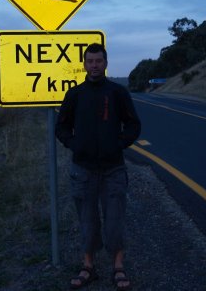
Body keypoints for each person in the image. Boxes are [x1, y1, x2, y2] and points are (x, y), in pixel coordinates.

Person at [55, 43, 141, 290]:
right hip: (82, 170)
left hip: (113, 169)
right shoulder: (75, 94)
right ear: (84, 64)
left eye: (98, 61)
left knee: (114, 221)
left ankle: (118, 267)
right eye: (90, 61)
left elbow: (134, 125)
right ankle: (88, 267)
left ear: (106, 63)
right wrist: (74, 145)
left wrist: (119, 144)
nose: (94, 65)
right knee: (87, 221)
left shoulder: (117, 92)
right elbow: (61, 126)